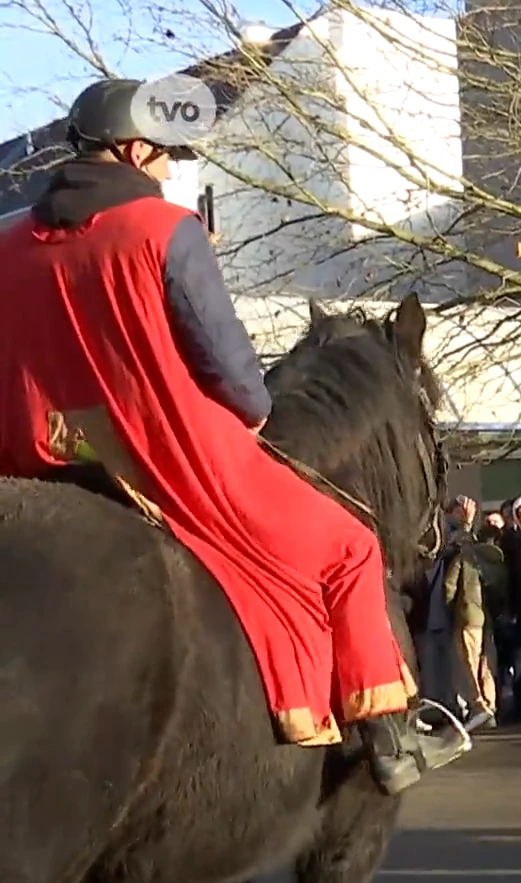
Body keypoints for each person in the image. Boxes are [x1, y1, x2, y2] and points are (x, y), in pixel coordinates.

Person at [0, 78, 466, 792]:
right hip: (156, 456)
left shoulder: (8, 243)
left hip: (34, 454)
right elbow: (238, 378)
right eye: (162, 156)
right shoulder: (166, 230)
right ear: (130, 149)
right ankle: (391, 739)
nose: (167, 170)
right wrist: (248, 413)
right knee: (350, 546)